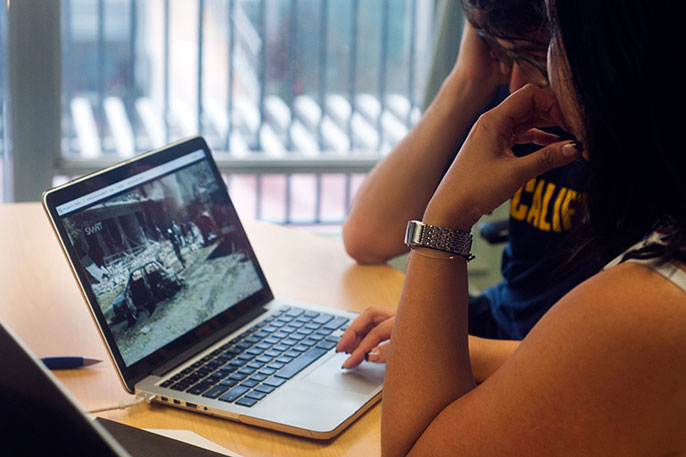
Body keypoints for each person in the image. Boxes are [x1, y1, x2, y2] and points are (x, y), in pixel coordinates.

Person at [380, 0, 686, 454]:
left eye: (553, 35)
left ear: (613, 58)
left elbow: (410, 451)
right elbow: (365, 234)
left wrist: (446, 219)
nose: (527, 80)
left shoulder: (645, 306)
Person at [338, 0, 600, 373]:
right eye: (503, 56)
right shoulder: (524, 95)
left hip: (558, 367)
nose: (515, 87)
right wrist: (467, 81)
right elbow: (368, 236)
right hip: (502, 333)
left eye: (536, 58)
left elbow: (617, 364)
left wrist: (443, 349)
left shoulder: (645, 150)